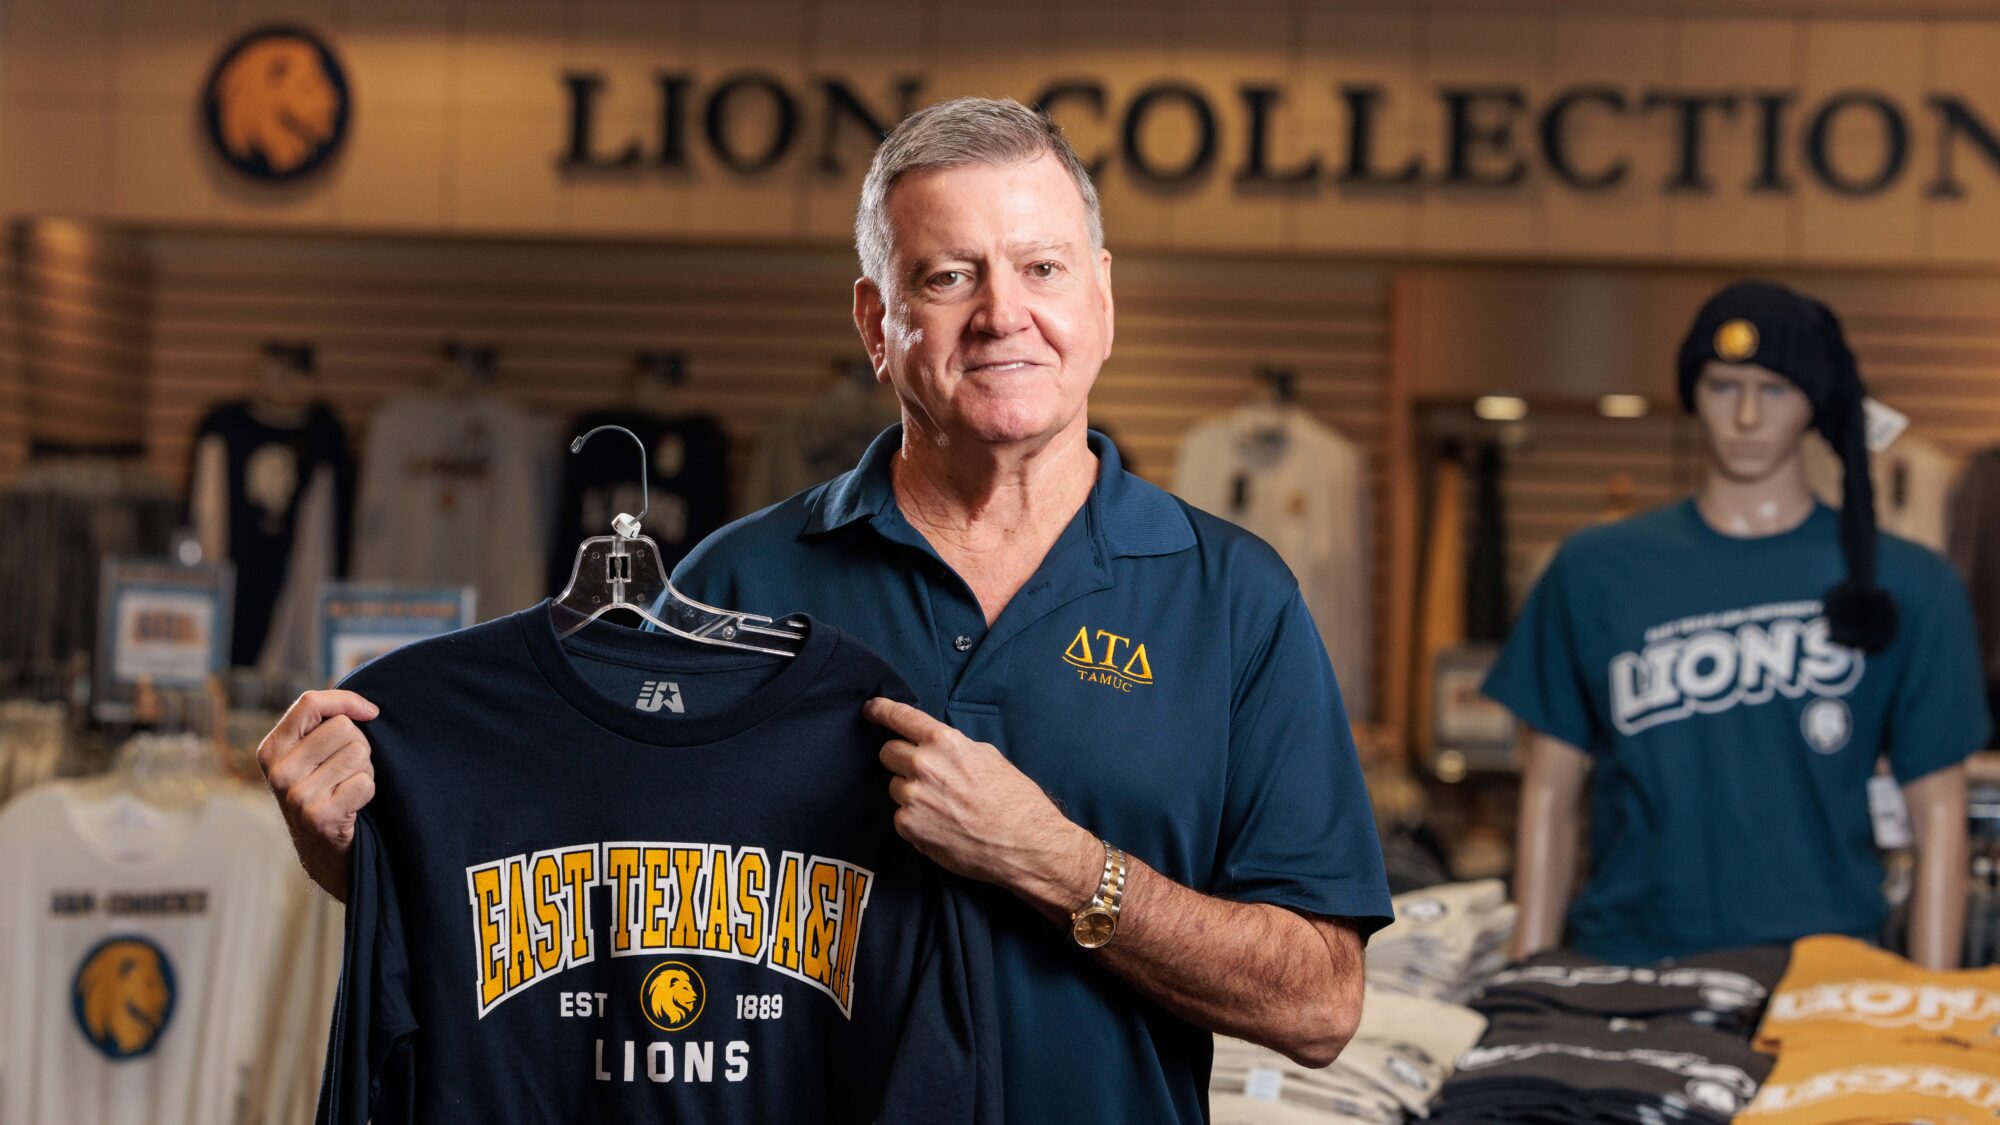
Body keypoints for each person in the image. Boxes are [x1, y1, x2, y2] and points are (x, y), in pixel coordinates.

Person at [258, 97, 1390, 1121]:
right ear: (874, 321)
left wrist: (1052, 861)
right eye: (948, 277)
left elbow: (1318, 1006)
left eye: (1040, 269)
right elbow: (583, 926)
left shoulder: (1232, 598)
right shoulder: (731, 586)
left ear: (1100, 296)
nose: (1003, 315)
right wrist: (355, 854)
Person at [1488, 280, 1988, 969]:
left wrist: (1926, 1011)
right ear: (1693, 392)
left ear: (1816, 403)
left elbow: (1938, 814)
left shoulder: (1908, 583)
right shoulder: (1594, 568)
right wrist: (1529, 980)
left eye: (1776, 389)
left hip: (1824, 977)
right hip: (1630, 970)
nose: (1747, 414)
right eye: (1724, 386)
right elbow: (1548, 791)